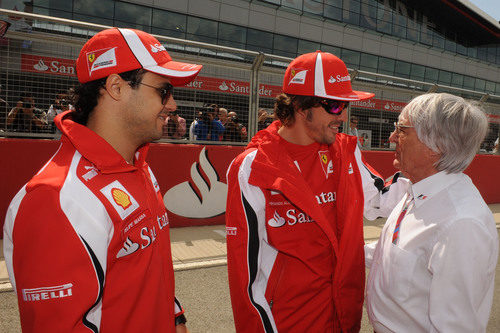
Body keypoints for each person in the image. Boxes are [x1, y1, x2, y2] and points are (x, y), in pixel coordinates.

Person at [3, 27, 202, 332]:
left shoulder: (138, 166)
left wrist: (175, 317)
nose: (173, 105)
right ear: (116, 87)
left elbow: (146, 271)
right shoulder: (56, 198)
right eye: (163, 90)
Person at [225, 51, 408, 332]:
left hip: (343, 317)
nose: (344, 116)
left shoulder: (346, 152)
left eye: (346, 105)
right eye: (335, 106)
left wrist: (428, 171)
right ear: (300, 106)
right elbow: (245, 280)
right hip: (289, 322)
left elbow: (377, 203)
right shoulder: (253, 168)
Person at [365, 93, 499, 332]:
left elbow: (455, 327)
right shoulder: (419, 190)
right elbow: (393, 254)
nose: (392, 137)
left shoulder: (461, 223)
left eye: (402, 130)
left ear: (437, 145)